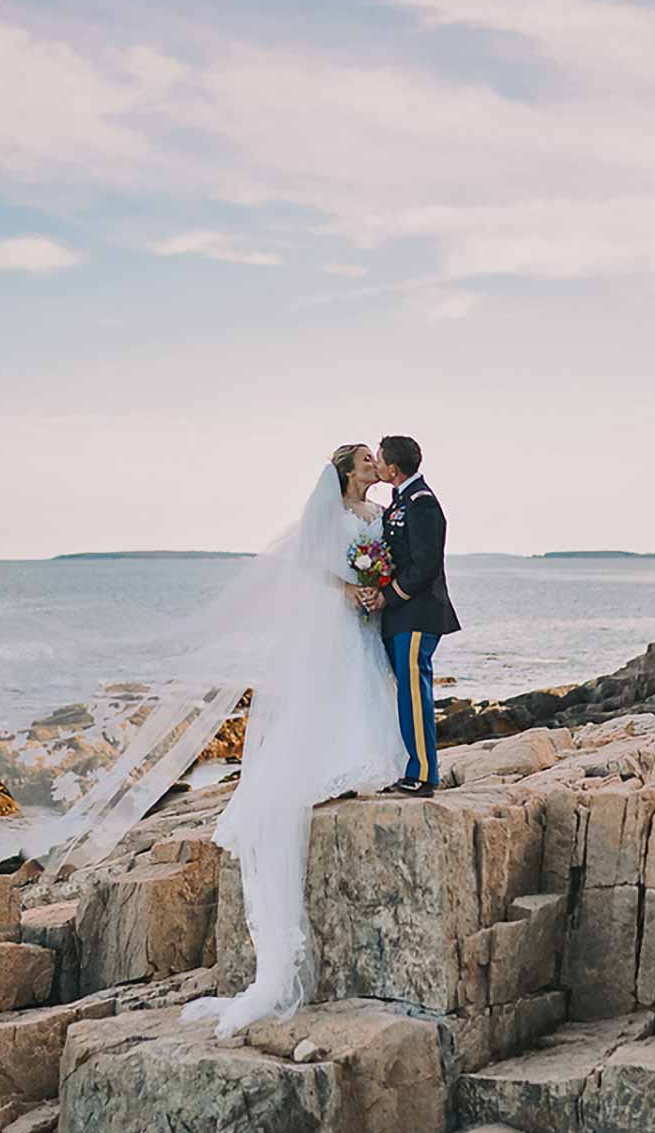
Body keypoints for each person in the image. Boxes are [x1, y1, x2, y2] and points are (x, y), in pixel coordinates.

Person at [25, 444, 406, 1037]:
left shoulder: (378, 513)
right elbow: (311, 567)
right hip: (335, 618)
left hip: (367, 614)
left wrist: (376, 585)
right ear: (345, 471)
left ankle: (363, 759)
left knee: (362, 683)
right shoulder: (327, 515)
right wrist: (348, 589)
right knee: (330, 687)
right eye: (363, 459)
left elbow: (381, 559)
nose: (371, 464)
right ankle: (330, 763)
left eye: (372, 458)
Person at [359, 435, 461, 796]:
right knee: (404, 694)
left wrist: (389, 596)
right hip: (399, 617)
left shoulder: (422, 503)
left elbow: (425, 564)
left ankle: (421, 775)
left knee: (415, 695)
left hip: (417, 615)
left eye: (380, 460)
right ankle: (409, 767)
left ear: (393, 468)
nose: (377, 465)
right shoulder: (400, 500)